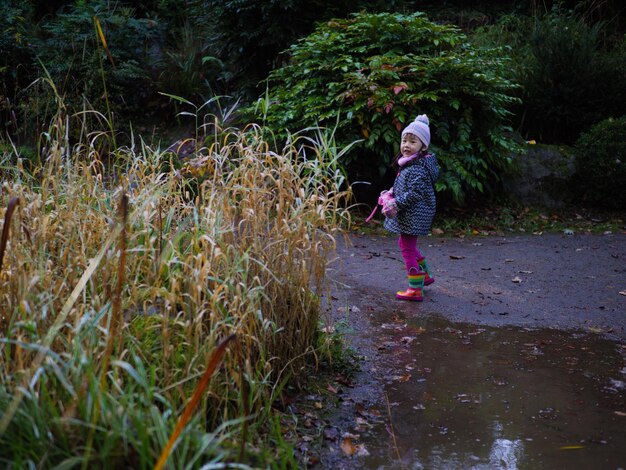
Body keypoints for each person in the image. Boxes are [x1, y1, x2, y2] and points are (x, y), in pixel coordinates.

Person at [381, 114, 439, 301]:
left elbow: (415, 193)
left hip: (415, 213)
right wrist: (391, 192)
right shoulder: (411, 163)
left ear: (423, 146)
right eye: (404, 140)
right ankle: (426, 276)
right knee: (406, 243)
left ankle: (415, 289)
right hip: (412, 212)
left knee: (406, 247)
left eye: (412, 142)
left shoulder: (418, 167)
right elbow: (406, 187)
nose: (406, 145)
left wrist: (395, 203)